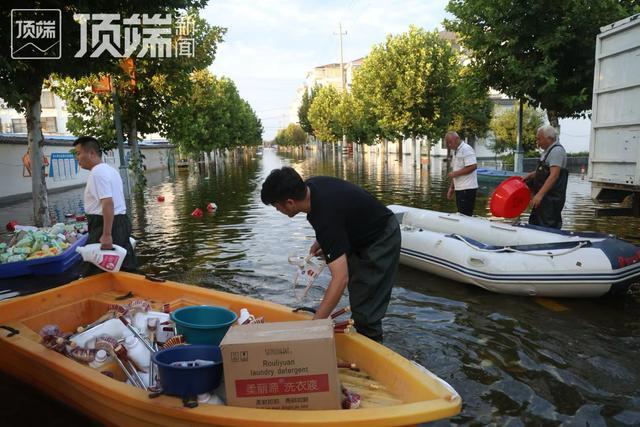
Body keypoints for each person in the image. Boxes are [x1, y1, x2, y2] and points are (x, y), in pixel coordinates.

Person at [261, 167, 401, 343]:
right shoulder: (312, 188)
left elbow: (341, 278)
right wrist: (323, 241)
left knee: (366, 303)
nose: (277, 210)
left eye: (276, 206)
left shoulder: (325, 216)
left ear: (289, 202)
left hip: (381, 237)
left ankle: (373, 345)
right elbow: (339, 213)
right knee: (359, 294)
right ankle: (364, 332)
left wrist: (314, 327)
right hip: (359, 232)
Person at [73, 136, 137, 273]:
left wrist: (106, 234)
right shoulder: (110, 170)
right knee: (123, 267)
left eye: (78, 153)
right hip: (119, 222)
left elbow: (108, 203)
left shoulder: (97, 172)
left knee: (94, 269)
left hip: (105, 225)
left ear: (91, 153)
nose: (76, 157)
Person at [523, 125, 568, 229]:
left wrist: (539, 195)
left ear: (549, 138)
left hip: (551, 199)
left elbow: (554, 175)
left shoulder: (557, 151)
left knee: (548, 223)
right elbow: (545, 170)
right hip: (543, 199)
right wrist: (532, 174)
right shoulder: (547, 151)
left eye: (539, 139)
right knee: (535, 221)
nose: (537, 142)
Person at [445, 131, 478, 216]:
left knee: (465, 215)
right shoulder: (456, 151)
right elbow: (456, 170)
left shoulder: (466, 149)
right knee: (461, 214)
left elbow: (473, 166)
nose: (449, 145)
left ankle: (468, 228)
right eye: (447, 143)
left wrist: (455, 174)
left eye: (450, 142)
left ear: (457, 139)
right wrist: (451, 188)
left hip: (467, 189)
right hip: (460, 189)